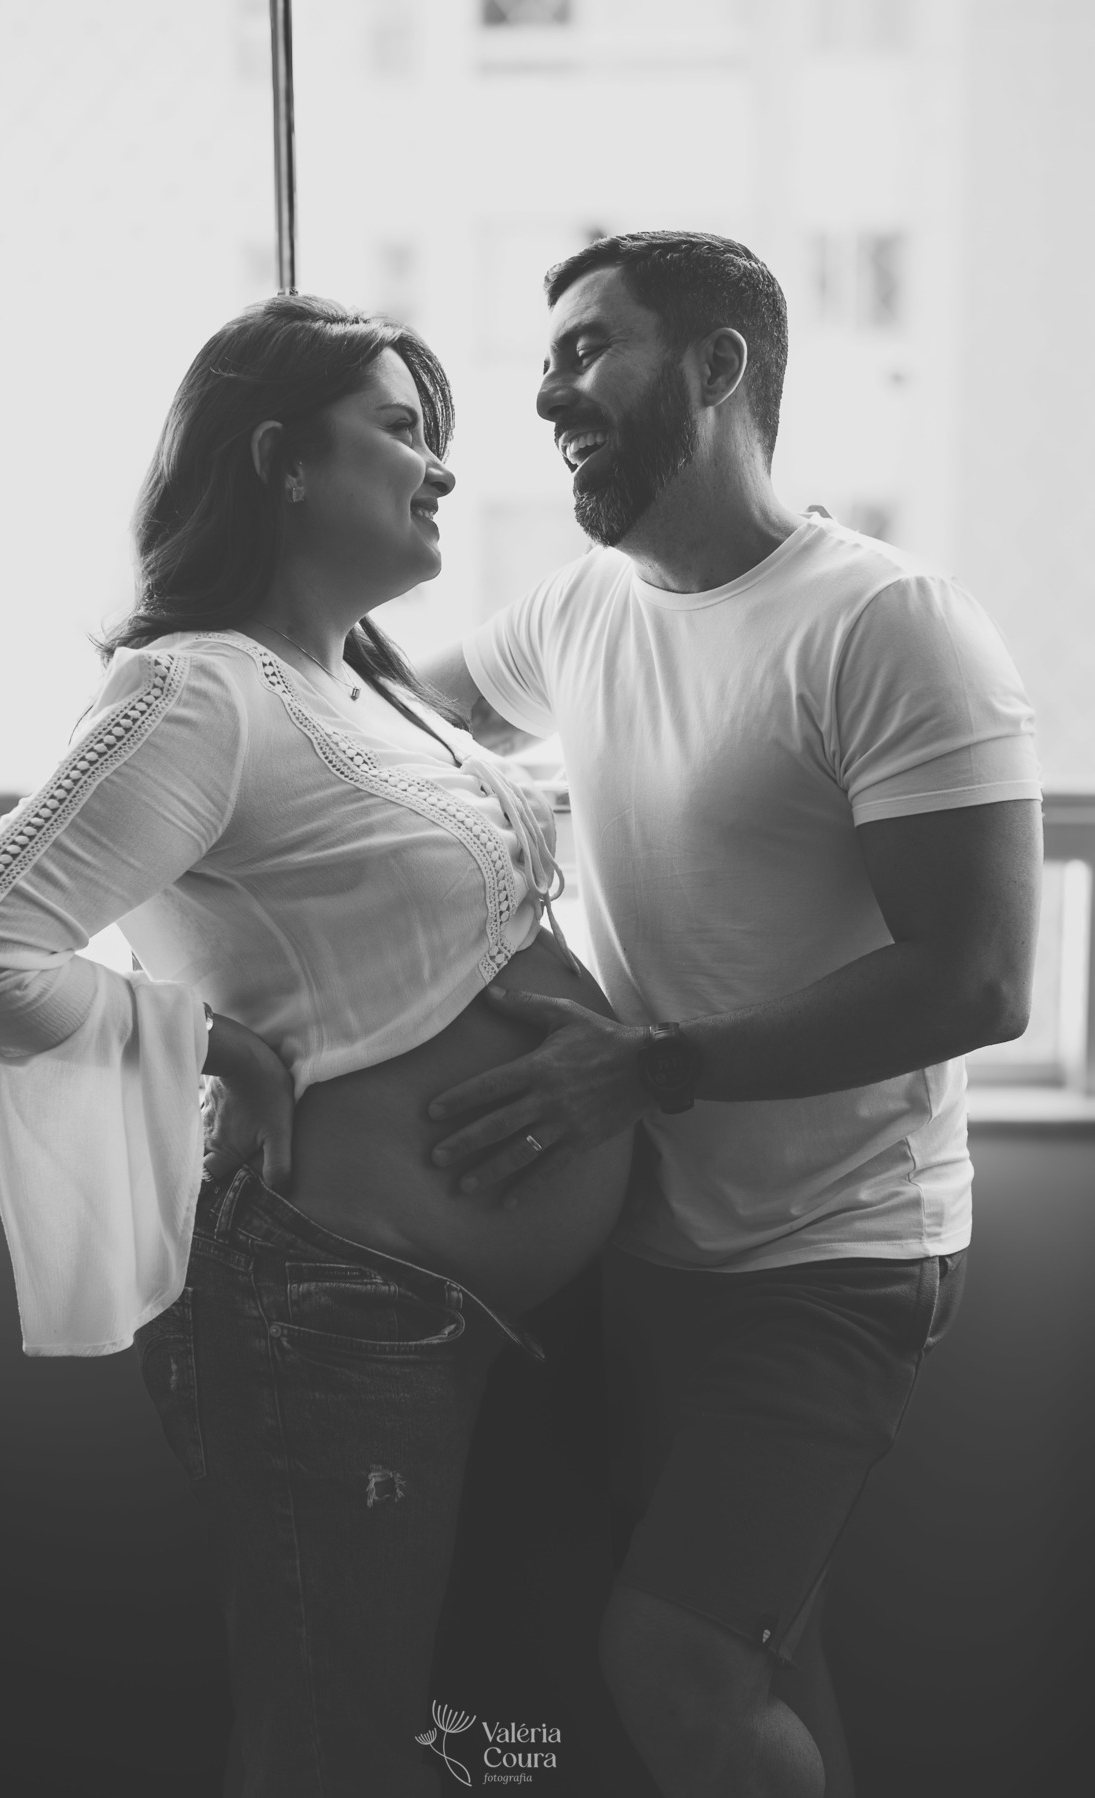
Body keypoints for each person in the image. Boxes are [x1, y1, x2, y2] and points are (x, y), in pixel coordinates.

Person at [0, 293, 635, 1797]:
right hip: (338, 1312)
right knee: (334, 1742)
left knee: (464, 1739)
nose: (440, 467)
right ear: (282, 460)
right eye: (402, 431)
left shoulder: (367, 685)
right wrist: (215, 1046)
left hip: (473, 1315)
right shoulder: (197, 691)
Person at [421, 230, 1043, 1798]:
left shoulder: (889, 623)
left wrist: (651, 1068)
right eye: (547, 360)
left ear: (718, 367)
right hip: (644, 1245)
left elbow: (977, 976)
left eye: (587, 349)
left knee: (677, 1662)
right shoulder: (579, 608)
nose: (548, 393)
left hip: (830, 1258)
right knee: (752, 1655)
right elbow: (392, 718)